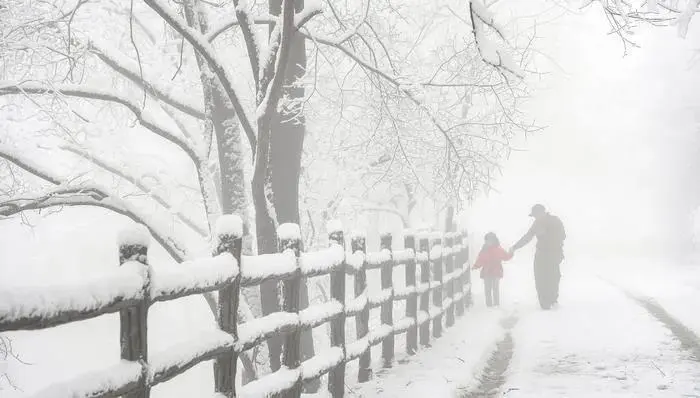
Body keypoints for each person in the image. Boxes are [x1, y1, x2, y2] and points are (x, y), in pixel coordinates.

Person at [509, 204, 566, 310]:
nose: (535, 217)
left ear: (542, 212)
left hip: (553, 254)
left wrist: (546, 234)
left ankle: (553, 300)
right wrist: (515, 247)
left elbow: (563, 236)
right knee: (539, 278)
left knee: (553, 277)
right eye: (534, 216)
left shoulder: (555, 221)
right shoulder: (537, 224)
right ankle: (544, 303)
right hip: (541, 254)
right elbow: (528, 236)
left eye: (536, 215)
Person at [472, 232, 513, 307]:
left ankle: (496, 304)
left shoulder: (498, 249)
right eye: (487, 240)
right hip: (486, 272)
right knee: (487, 289)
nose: (488, 242)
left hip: (496, 271)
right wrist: (476, 266)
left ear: (494, 240)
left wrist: (511, 253)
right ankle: (489, 305)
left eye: (490, 240)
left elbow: (506, 256)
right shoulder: (484, 250)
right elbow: (480, 260)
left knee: (495, 288)